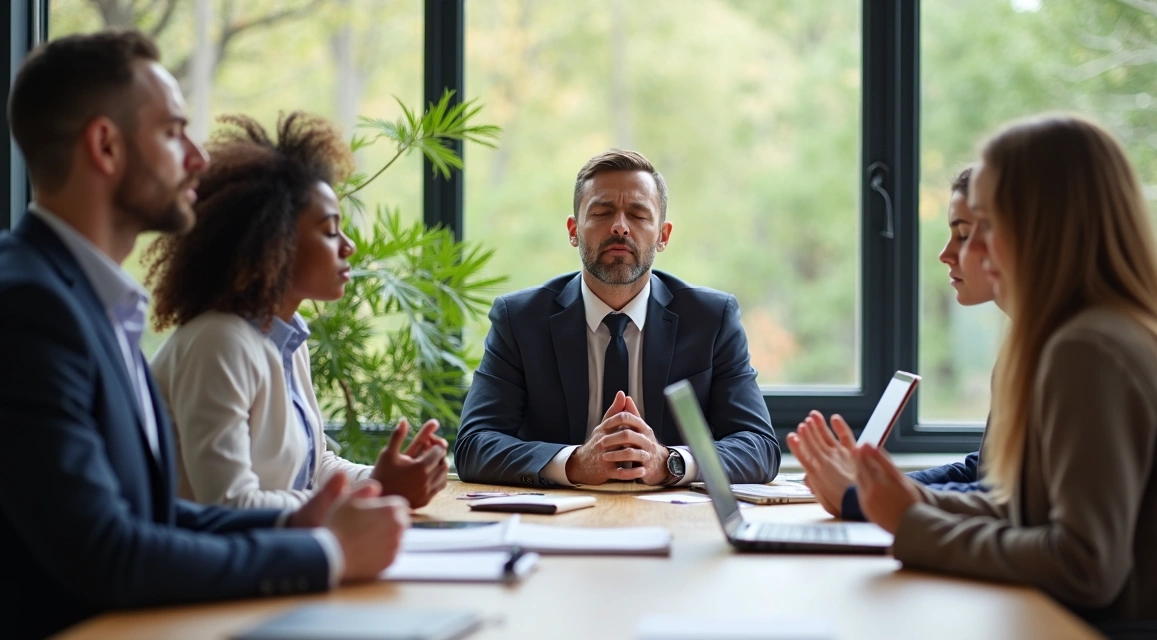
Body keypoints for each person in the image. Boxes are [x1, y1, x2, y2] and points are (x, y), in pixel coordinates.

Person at [0, 30, 406, 639]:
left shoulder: (93, 303)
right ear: (105, 147)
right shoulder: (30, 307)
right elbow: (106, 552)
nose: (196, 156)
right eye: (171, 131)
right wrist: (326, 554)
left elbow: (154, 519)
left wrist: (297, 527)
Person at [800, 114, 1157, 621]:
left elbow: (1085, 564)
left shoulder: (1088, 351)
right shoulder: (1103, 333)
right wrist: (898, 498)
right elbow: (1021, 509)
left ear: (1048, 226)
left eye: (987, 226)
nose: (971, 250)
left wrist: (909, 523)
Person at [146, 112, 448, 512]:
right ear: (273, 241)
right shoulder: (218, 342)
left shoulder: (283, 337)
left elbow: (311, 466)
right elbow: (229, 504)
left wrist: (381, 478)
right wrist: (374, 493)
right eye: (329, 230)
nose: (347, 247)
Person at [455, 149, 780, 487]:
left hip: (674, 521)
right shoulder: (519, 320)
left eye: (638, 215)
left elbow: (759, 447)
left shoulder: (711, 320)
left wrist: (670, 462)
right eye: (601, 212)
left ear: (663, 235)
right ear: (573, 230)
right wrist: (574, 463)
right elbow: (475, 445)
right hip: (559, 524)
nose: (620, 227)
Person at [820, 167, 996, 521]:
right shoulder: (1023, 348)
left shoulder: (1073, 353)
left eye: (964, 235)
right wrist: (873, 487)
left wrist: (864, 498)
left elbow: (1005, 499)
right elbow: (984, 474)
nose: (946, 254)